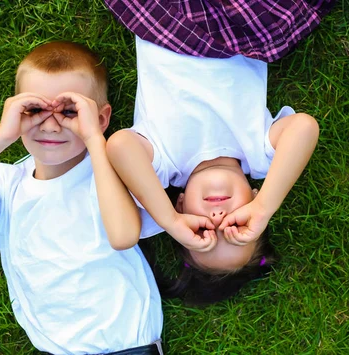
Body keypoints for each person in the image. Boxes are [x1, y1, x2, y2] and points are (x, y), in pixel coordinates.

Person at [0, 41, 164, 355]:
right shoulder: (6, 184)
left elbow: (124, 234)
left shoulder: (111, 169)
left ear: (100, 118)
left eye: (70, 111)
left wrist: (93, 139)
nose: (49, 124)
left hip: (127, 345)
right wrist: (2, 136)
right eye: (34, 110)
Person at [103, 0, 335, 304]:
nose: (218, 217)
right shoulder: (258, 155)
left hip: (169, 24)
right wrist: (264, 207)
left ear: (183, 205)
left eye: (203, 232)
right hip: (234, 30)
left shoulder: (165, 160)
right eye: (237, 224)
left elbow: (119, 145)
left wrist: (170, 221)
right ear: (252, 198)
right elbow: (304, 127)